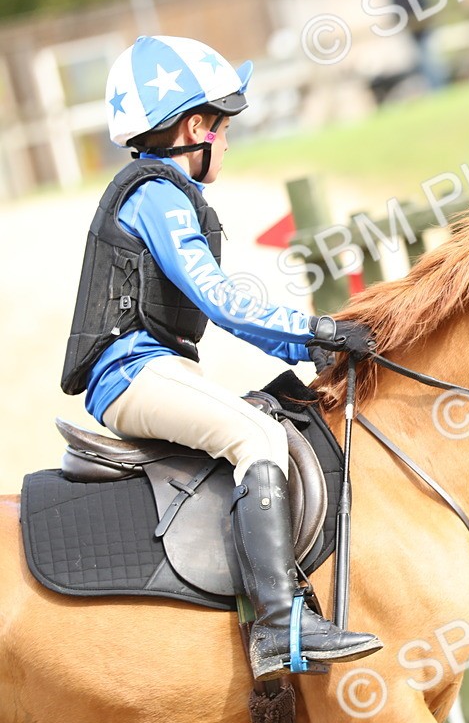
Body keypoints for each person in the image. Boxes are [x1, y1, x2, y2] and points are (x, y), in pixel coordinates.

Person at [60, 35, 382, 681]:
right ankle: (277, 624)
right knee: (258, 433)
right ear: (195, 126)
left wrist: (307, 341)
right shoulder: (157, 195)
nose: (228, 143)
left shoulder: (167, 193)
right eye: (224, 126)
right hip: (131, 372)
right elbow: (224, 300)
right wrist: (316, 331)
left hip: (155, 367)